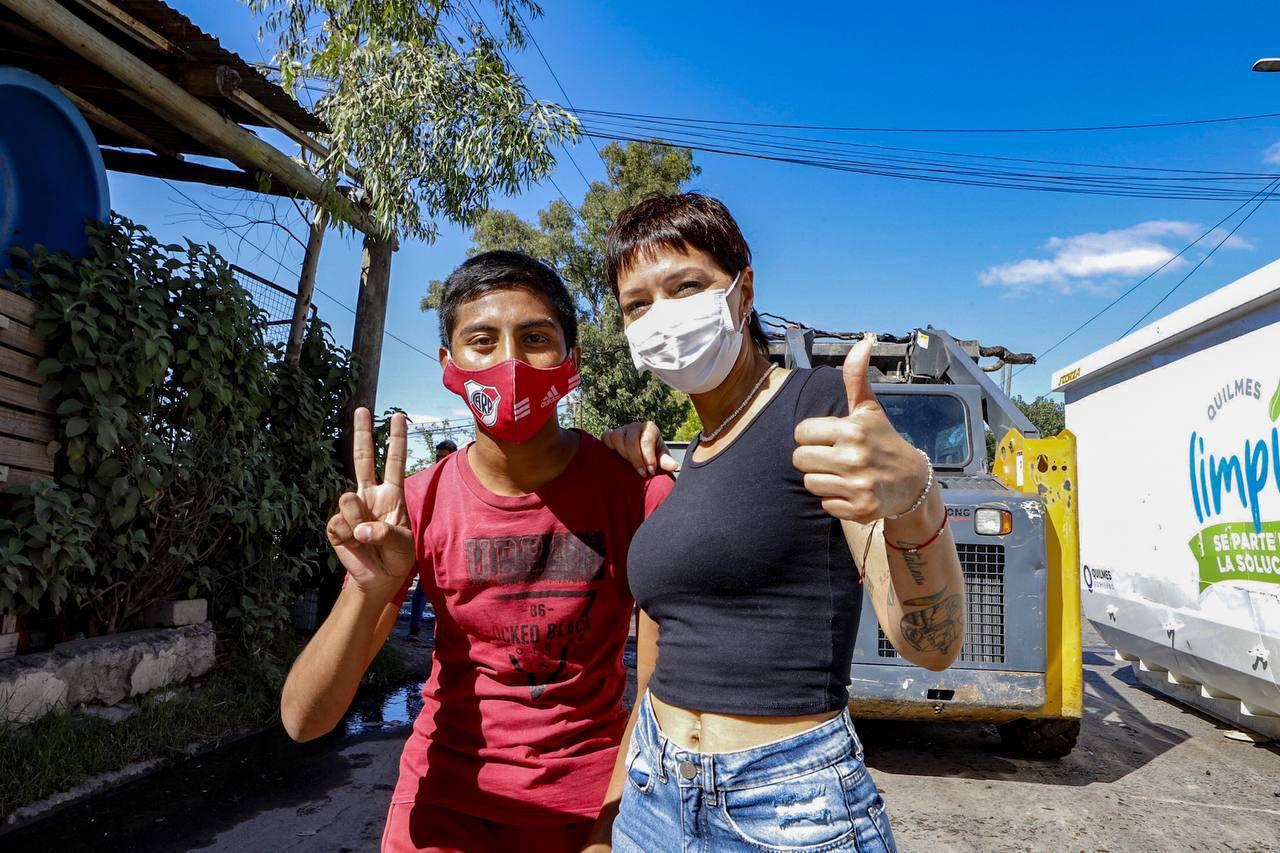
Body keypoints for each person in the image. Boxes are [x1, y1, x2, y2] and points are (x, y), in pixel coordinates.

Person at [597, 193, 967, 852]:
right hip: (654, 796)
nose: (663, 315)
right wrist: (614, 806)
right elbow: (662, 659)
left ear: (743, 294)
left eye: (686, 286)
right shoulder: (691, 458)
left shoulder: (816, 407)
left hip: (786, 811)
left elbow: (929, 642)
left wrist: (915, 494)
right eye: (638, 304)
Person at [279, 251, 673, 852]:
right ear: (449, 365)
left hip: (596, 809)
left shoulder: (635, 495)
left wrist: (609, 830)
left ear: (574, 360)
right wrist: (368, 591)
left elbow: (658, 695)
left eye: (536, 338)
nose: (510, 363)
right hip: (442, 815)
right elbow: (305, 720)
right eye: (482, 340)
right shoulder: (415, 507)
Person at [406, 440, 456, 641]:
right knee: (421, 589)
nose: (440, 460)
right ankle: (414, 630)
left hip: (444, 543)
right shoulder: (430, 479)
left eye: (444, 456)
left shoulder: (456, 481)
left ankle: (442, 635)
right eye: (438, 456)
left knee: (441, 592)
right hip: (423, 540)